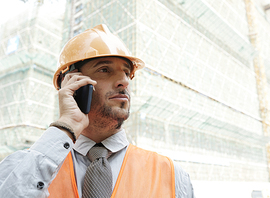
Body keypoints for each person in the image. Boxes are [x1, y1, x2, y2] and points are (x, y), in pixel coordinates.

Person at [0, 24, 195, 198]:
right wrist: (66, 126)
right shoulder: (35, 166)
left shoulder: (172, 175)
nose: (125, 81)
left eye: (127, 73)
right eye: (104, 69)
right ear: (72, 83)